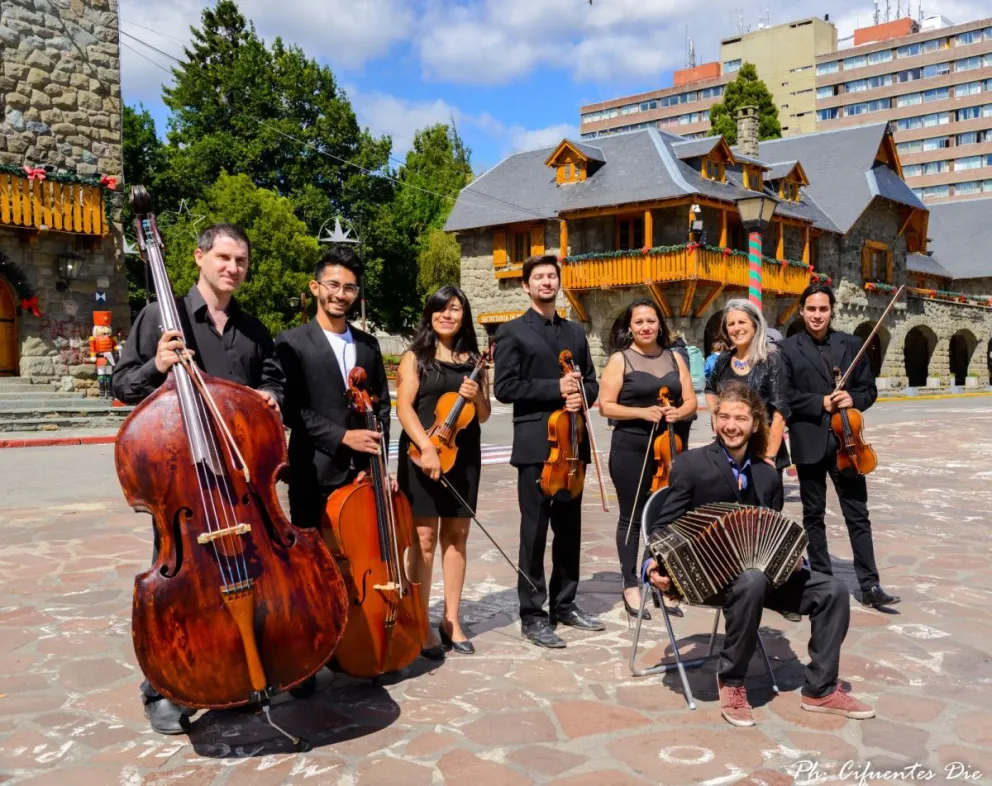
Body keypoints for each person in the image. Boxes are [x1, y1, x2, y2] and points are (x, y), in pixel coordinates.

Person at [112, 223, 285, 736]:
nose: (233, 268)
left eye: (241, 262)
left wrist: (271, 395)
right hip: (183, 486)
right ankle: (164, 688)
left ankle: (243, 668)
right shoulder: (158, 318)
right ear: (199, 258)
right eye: (225, 258)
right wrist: (157, 365)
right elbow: (122, 385)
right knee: (179, 592)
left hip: (240, 481)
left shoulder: (253, 329)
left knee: (254, 576)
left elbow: (271, 376)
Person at [643, 382, 875, 727]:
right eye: (723, 416)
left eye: (740, 418)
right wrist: (652, 565)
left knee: (833, 592)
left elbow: (774, 528)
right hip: (706, 578)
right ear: (714, 420)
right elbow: (662, 529)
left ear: (756, 424)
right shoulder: (691, 465)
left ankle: (821, 689)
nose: (730, 425)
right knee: (751, 581)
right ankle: (733, 683)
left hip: (766, 577)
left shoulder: (767, 474)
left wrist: (795, 559)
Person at [274, 246, 392, 679]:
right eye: (333, 285)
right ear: (316, 287)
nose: (341, 294)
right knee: (311, 572)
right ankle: (307, 662)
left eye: (349, 288)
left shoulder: (369, 344)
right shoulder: (290, 342)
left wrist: (376, 464)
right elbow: (292, 410)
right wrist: (342, 437)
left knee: (358, 565)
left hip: (361, 476)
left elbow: (380, 409)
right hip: (313, 474)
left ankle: (352, 648)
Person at [493, 254, 603, 649]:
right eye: (538, 277)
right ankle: (532, 613)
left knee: (570, 530)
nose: (546, 282)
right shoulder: (511, 331)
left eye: (551, 277)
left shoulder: (575, 332)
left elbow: (591, 383)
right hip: (536, 446)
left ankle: (565, 603)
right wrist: (555, 389)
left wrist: (581, 395)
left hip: (572, 445)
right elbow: (504, 388)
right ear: (526, 285)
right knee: (534, 532)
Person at [779, 283, 899, 610]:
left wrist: (852, 397)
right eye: (811, 309)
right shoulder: (788, 349)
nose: (817, 315)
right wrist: (820, 401)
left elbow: (868, 391)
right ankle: (823, 582)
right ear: (802, 311)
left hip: (848, 442)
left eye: (823, 309)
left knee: (857, 514)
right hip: (810, 442)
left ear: (832, 311)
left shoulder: (852, 344)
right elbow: (785, 396)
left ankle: (870, 585)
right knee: (814, 515)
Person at [396, 287, 491, 658]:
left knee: (458, 536)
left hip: (463, 456)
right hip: (423, 454)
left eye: (455, 309)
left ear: (464, 315)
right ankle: (419, 620)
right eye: (441, 309)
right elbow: (405, 409)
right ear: (431, 314)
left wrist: (477, 392)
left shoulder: (474, 361)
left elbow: (482, 414)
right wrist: (427, 448)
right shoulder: (414, 357)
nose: (448, 315)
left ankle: (450, 619)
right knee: (422, 539)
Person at [598, 298, 697, 620]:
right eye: (638, 322)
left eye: (650, 321)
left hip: (670, 444)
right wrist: (642, 411)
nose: (645, 326)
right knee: (632, 514)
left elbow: (691, 400)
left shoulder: (674, 358)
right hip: (631, 446)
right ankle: (630, 583)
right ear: (630, 327)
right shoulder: (620, 360)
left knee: (666, 515)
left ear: (659, 325)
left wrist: (677, 411)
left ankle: (660, 581)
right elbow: (606, 406)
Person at [705, 299, 791, 472]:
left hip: (762, 448)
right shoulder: (723, 360)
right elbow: (710, 389)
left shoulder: (772, 360)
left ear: (755, 325)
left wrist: (769, 456)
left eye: (742, 322)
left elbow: (780, 413)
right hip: (728, 447)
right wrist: (718, 419)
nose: (736, 328)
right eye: (731, 324)